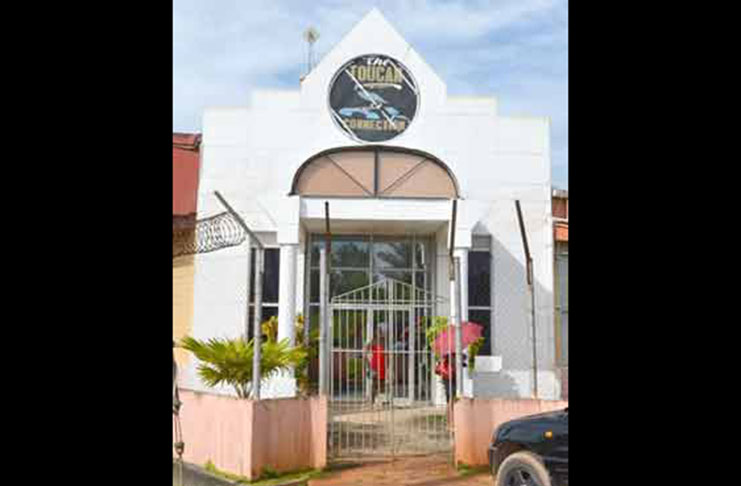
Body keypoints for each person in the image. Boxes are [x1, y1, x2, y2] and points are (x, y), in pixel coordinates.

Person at [366, 333, 386, 406]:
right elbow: (367, 347)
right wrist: (372, 341)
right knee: (374, 385)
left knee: (382, 386)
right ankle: (372, 401)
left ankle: (380, 401)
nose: (381, 340)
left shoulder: (383, 348)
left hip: (382, 369)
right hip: (375, 368)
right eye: (380, 339)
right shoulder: (375, 347)